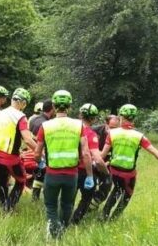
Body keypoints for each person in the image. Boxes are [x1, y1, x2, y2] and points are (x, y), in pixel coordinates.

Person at [100, 104, 158, 221]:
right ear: (134, 118)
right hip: (128, 174)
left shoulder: (112, 133)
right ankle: (113, 219)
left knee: (117, 189)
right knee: (127, 195)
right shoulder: (139, 136)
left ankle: (103, 216)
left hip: (114, 171)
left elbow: (102, 155)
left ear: (121, 118)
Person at [34, 90, 94, 239]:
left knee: (51, 206)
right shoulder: (78, 125)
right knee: (67, 205)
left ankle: (54, 234)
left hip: (52, 174)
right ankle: (61, 232)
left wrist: (40, 162)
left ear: (53, 106)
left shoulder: (46, 126)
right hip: (72, 175)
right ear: (70, 106)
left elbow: (36, 153)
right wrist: (90, 176)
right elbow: (86, 153)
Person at [0, 88, 37, 212]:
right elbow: (27, 139)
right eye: (25, 103)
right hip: (9, 157)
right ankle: (9, 208)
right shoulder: (20, 116)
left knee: (2, 178)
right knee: (21, 180)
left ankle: (2, 204)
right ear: (22, 102)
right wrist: (39, 152)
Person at [72, 103, 111, 224]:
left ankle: (63, 219)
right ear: (94, 118)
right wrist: (106, 172)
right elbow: (98, 160)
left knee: (69, 197)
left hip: (70, 169)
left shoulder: (71, 131)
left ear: (80, 115)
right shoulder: (91, 134)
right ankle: (75, 220)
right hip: (85, 171)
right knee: (87, 197)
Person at [29, 99, 55, 201]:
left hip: (30, 152)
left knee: (39, 177)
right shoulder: (46, 124)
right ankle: (40, 199)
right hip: (40, 154)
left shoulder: (33, 119)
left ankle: (34, 198)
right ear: (52, 109)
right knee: (42, 176)